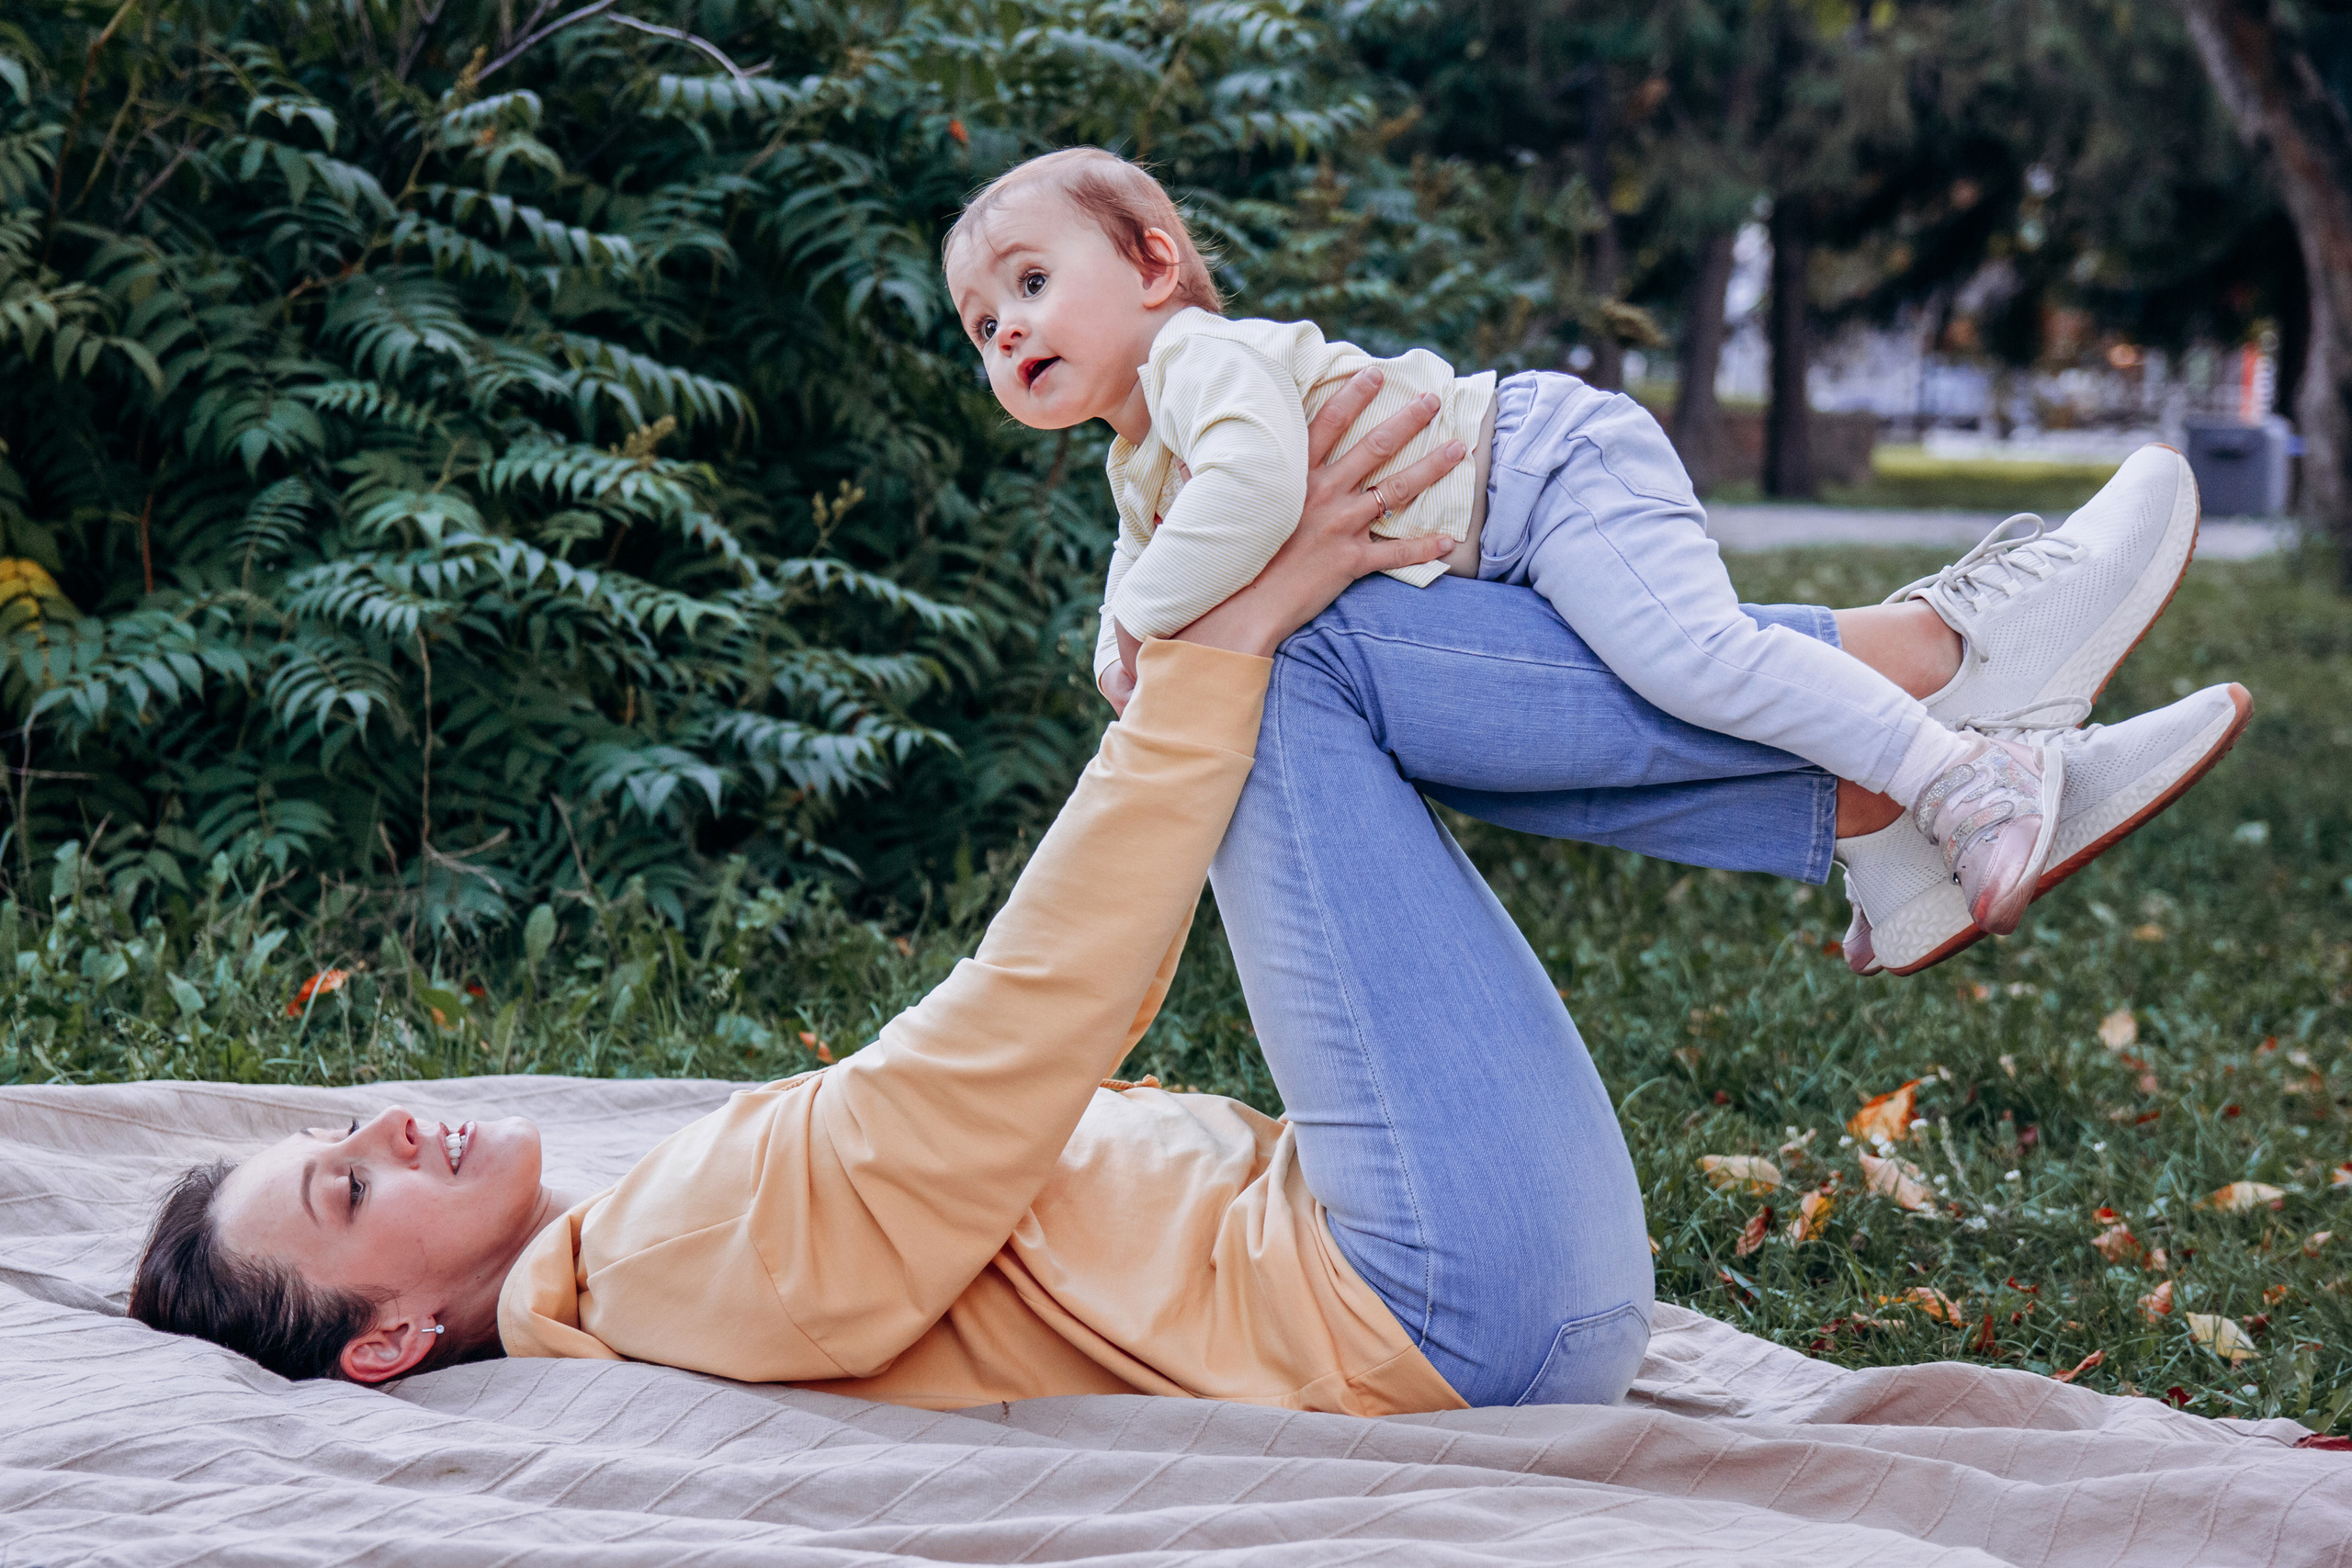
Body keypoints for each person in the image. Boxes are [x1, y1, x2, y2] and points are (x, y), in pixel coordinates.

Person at [130, 375, 2247, 1413]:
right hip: (1443, 1296)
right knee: (1278, 642)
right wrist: (1232, 627)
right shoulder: (668, 1242)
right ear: (395, 1336)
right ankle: (1912, 690)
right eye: (344, 1190)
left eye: (335, 1126)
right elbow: (1023, 1015)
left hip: (1449, 1279)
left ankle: (1885, 786)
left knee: (1263, 639)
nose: (385, 1125)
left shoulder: (640, 1248)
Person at [942, 147, 2206, 943]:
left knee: (1686, 656)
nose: (1005, 330)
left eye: (1031, 284)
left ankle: (1963, 771)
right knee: (1577, 703)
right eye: (981, 321)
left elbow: (1256, 489)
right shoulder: (1136, 449)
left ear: (1155, 262)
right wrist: (1123, 625)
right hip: (1503, 531)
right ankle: (1884, 831)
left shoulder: (1195, 359)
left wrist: (1131, 619)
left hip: (1545, 468)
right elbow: (1148, 554)